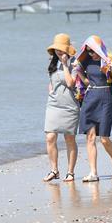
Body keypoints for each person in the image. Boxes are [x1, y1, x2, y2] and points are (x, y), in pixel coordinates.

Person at [76, 35, 112, 182]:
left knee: (104, 138)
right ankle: (93, 173)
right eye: (88, 51)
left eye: (93, 51)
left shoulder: (111, 60)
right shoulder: (85, 61)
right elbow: (86, 81)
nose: (91, 54)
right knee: (90, 138)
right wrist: (78, 74)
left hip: (105, 98)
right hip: (90, 99)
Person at [43, 33, 80, 182]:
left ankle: (70, 172)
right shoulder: (52, 63)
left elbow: (71, 83)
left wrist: (65, 64)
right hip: (53, 104)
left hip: (70, 105)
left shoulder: (75, 63)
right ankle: (54, 170)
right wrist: (51, 89)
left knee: (69, 138)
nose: (58, 51)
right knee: (50, 137)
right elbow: (51, 80)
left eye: (61, 49)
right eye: (56, 49)